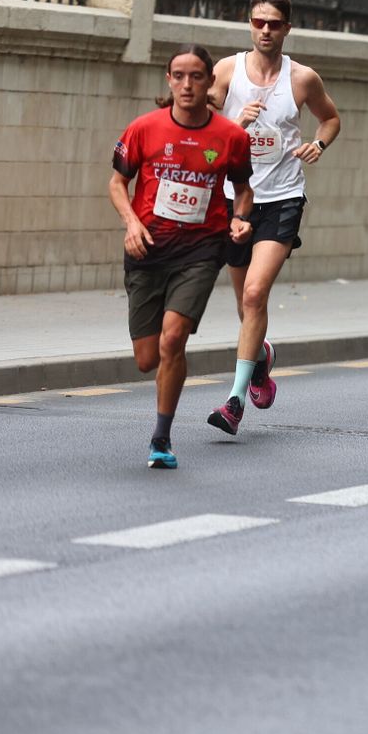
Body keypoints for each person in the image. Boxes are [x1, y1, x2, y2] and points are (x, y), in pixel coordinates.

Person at [108, 46, 254, 470]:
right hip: (148, 249)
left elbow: (243, 189)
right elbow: (118, 183)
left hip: (201, 250)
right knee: (147, 359)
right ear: (168, 80)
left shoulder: (231, 137)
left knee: (174, 339)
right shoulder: (144, 129)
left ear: (210, 82)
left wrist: (241, 219)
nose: (187, 84)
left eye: (196, 77)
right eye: (179, 76)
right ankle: (161, 422)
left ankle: (161, 437)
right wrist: (132, 224)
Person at [205, 0, 342, 436]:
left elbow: (331, 118)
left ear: (287, 28)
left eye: (274, 24)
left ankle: (234, 400)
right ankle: (261, 358)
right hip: (234, 198)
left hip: (282, 198)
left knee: (253, 296)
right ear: (250, 24)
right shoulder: (227, 71)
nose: (266, 30)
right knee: (246, 303)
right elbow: (199, 130)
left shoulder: (301, 79)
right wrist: (234, 124)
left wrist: (318, 143)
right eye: (258, 22)